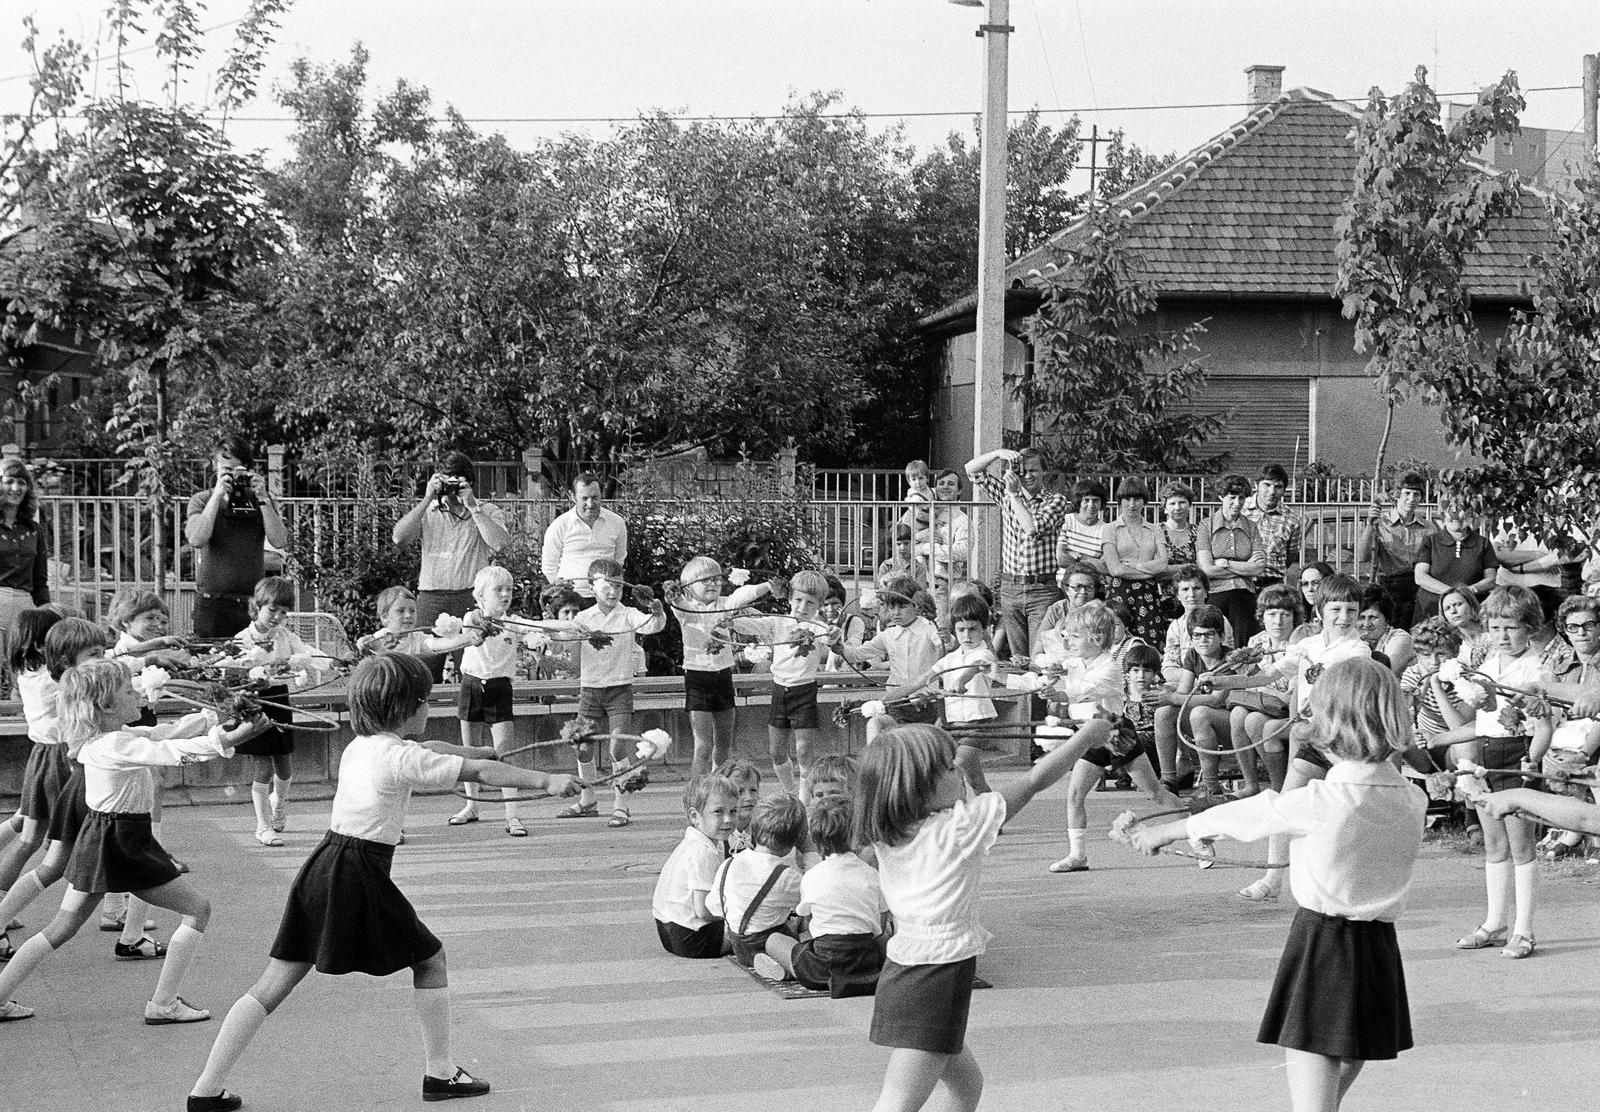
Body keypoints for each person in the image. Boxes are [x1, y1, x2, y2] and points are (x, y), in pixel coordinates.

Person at [185, 652, 580, 1111]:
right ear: (407, 707)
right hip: (359, 873)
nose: (429, 708)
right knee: (431, 960)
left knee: (275, 981)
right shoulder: (399, 757)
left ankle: (206, 1089)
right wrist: (547, 781)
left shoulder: (365, 746)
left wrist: (478, 750)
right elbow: (478, 773)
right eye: (426, 700)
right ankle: (440, 1072)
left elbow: (443, 751)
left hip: (324, 866)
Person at [1131, 659, 1425, 1112]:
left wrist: (1160, 833)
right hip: (1378, 944)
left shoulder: (1324, 799)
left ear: (1330, 722)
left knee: (1311, 1057)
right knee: (1354, 1050)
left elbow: (1243, 816)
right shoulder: (1412, 798)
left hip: (1324, 939)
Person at [0, 658, 267, 1024]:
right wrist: (229, 738)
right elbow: (168, 752)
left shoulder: (110, 738)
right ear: (105, 706)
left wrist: (211, 718)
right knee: (198, 909)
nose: (136, 692)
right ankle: (164, 1002)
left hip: (104, 840)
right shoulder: (113, 745)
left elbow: (163, 735)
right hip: (123, 843)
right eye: (128, 690)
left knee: (61, 928)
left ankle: (0, 995)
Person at [855, 723, 1081, 1112]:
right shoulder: (956, 828)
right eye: (947, 766)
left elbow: (882, 749)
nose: (959, 769)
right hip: (935, 976)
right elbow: (1035, 779)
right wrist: (1086, 738)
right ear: (916, 786)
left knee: (967, 1088)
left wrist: (888, 726)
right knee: (897, 1103)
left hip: (911, 970)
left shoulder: (890, 831)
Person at [1202, 573, 1372, 902]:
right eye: (1336, 609)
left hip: (1343, 743)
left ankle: (1348, 883)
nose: (1344, 617)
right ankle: (1272, 879)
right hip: (1312, 740)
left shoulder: (1357, 650)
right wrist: (1221, 682)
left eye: (1352, 610)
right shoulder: (1306, 646)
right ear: (1320, 610)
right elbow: (1267, 675)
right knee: (1285, 805)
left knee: (1346, 815)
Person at [1431, 586, 1553, 959]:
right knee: (1495, 845)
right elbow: (1480, 724)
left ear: (1529, 627)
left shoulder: (1538, 670)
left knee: (1521, 847)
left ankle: (1524, 930)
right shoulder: (1485, 667)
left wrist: (1531, 762)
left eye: (1512, 628)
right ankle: (1495, 922)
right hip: (1482, 760)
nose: (1503, 635)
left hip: (1516, 758)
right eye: (1496, 627)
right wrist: (1440, 739)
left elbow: (1543, 726)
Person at [422, 566, 536, 836]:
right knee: (468, 749)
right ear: (481, 595)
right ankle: (472, 805)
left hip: (499, 689)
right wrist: (474, 622)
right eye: (499, 590)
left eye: (509, 589)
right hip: (471, 685)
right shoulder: (471, 618)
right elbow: (470, 625)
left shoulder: (513, 623)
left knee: (505, 752)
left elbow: (541, 630)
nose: (506, 594)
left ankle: (512, 814)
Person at [1048, 644, 1182, 873]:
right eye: (1068, 637)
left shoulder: (1108, 666)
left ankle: (1198, 835)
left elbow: (1084, 691)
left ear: (1094, 638)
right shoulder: (1075, 663)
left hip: (1116, 729)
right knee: (1074, 794)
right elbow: (1047, 673)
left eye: (1075, 636)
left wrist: (1058, 693)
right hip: (1091, 732)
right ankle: (1077, 854)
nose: (1069, 641)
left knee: (1154, 793)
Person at [221, 577, 332, 846]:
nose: (278, 617)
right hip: (254, 701)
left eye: (283, 612)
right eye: (272, 610)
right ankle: (262, 826)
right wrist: (248, 671)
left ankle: (278, 805)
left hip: (279, 699)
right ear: (256, 606)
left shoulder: (286, 636)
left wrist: (328, 662)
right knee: (262, 768)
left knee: (284, 766)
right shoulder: (242, 639)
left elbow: (307, 652)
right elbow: (230, 671)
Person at [392, 452, 510, 682]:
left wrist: (473, 507)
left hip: (469, 598)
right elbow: (399, 538)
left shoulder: (486, 510)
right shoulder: (428, 510)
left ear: (470, 483)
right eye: (448, 482)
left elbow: (499, 543)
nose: (452, 489)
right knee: (422, 671)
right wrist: (426, 498)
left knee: (474, 669)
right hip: (431, 598)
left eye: (457, 482)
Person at [754, 795, 888, 996]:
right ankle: (871, 977)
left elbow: (808, 920)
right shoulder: (872, 874)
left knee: (773, 940)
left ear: (815, 839)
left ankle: (791, 971)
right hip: (867, 964)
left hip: (822, 964)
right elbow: (881, 926)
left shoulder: (813, 875)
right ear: (859, 837)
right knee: (889, 941)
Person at [725, 570, 839, 794]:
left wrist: (834, 633)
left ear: (819, 605)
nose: (803, 607)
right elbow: (737, 620)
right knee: (776, 751)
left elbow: (831, 637)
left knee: (804, 750)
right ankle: (789, 793)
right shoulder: (777, 622)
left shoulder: (818, 627)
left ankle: (805, 799)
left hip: (804, 691)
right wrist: (766, 587)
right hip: (779, 690)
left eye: (810, 602)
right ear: (789, 598)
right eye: (798, 599)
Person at [671, 556, 777, 775]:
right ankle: (697, 791)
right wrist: (673, 594)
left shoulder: (725, 605)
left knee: (723, 744)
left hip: (723, 678)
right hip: (697, 679)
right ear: (688, 588)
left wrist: (767, 586)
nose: (712, 584)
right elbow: (677, 603)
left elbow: (741, 596)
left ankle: (721, 787)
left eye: (716, 579)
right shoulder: (687, 609)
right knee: (703, 745)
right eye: (705, 580)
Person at [964, 447, 1068, 661]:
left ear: (1043, 472)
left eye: (1033, 470)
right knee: (1019, 659)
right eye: (1022, 471)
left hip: (1042, 589)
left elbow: (1032, 528)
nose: (1027, 476)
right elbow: (971, 470)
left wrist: (1012, 495)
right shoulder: (1007, 493)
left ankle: (1041, 696)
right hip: (1010, 586)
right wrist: (997, 453)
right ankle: (1021, 695)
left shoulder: (1055, 500)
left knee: (1041, 658)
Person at [185, 437, 286, 639]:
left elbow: (280, 541)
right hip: (212, 601)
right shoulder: (202, 500)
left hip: (252, 602)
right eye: (226, 470)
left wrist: (264, 499)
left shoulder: (261, 501)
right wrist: (218, 495)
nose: (232, 476)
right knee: (210, 663)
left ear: (248, 470)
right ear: (215, 466)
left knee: (254, 662)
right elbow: (197, 539)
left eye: (237, 470)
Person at [708, 793, 807, 967]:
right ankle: (789, 964)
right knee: (805, 924)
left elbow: (714, 906)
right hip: (769, 942)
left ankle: (770, 964)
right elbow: (815, 899)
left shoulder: (729, 863)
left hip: (737, 945)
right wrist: (809, 855)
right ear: (795, 840)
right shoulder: (787, 877)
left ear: (755, 829)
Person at [842, 579, 947, 742]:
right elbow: (857, 654)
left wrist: (945, 640)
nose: (896, 612)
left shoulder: (928, 628)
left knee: (922, 748)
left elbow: (945, 645)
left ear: (916, 606)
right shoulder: (888, 635)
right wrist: (838, 647)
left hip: (926, 701)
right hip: (897, 702)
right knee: (886, 734)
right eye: (892, 607)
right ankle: (876, 764)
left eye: (902, 606)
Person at [652, 773, 740, 959]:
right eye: (718, 812)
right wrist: (736, 914)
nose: (728, 819)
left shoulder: (693, 844)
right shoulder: (702, 852)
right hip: (693, 938)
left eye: (733, 811)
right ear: (694, 816)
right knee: (756, 932)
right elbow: (704, 910)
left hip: (671, 931)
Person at [1356, 471, 1432, 629]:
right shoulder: (1380, 523)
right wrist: (1370, 525)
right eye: (1407, 493)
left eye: (1416, 494)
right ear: (1397, 495)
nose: (1411, 499)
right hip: (1389, 589)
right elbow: (1362, 556)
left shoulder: (1428, 528)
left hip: (1418, 589)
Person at [1195, 474, 1266, 643]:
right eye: (1232, 497)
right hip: (1215, 591)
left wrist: (1225, 563)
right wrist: (1243, 568)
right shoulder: (1206, 525)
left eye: (1241, 498)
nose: (1237, 503)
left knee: (1244, 638)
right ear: (1221, 496)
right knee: (1214, 636)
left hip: (1244, 591)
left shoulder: (1251, 526)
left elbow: (1258, 568)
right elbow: (1207, 569)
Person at [0, 459, 50, 691]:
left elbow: (40, 578)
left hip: (24, 604)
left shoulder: (33, 529)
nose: (16, 488)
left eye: (21, 482)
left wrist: (45, 612)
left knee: (24, 671)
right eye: (9, 481)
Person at [1101, 478, 1171, 643]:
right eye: (1127, 499)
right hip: (1119, 592)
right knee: (1117, 641)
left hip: (1148, 594)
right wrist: (1149, 571)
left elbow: (1163, 564)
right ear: (1120, 500)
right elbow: (1115, 570)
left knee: (1150, 642)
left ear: (1144, 501)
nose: (1132, 504)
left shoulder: (1155, 529)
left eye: (1137, 499)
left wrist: (1134, 566)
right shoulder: (1110, 529)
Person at [540, 470, 628, 601]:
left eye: (595, 497)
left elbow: (619, 560)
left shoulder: (617, 523)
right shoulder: (559, 526)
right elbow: (549, 566)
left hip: (605, 599)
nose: (590, 504)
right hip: (571, 600)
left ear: (601, 495)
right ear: (573, 497)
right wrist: (560, 589)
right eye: (584, 498)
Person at [1413, 500, 1498, 619]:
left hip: (1470, 611)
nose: (1456, 516)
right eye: (1451, 511)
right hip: (1432, 611)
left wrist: (1470, 591)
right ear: (1444, 516)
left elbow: (1490, 579)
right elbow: (1420, 577)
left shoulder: (1482, 543)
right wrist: (1453, 594)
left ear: (1471, 516)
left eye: (1462, 511)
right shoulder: (1430, 541)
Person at [1243, 463, 1303, 590]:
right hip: (1242, 582)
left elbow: (1290, 555)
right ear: (1256, 485)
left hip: (1273, 585)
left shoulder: (1293, 519)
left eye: (1278, 487)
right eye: (1267, 485)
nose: (1272, 492)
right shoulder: (1240, 510)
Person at [1054, 479, 1110, 578]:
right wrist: (1091, 561)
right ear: (1079, 501)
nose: (1091, 505)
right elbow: (1061, 559)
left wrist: (1076, 555)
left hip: (1091, 586)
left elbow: (1104, 567)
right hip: (1064, 583)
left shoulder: (1107, 530)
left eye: (1096, 500)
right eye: (1086, 500)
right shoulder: (1066, 521)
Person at [1357, 584, 1415, 675]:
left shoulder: (1401, 639)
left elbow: (1383, 675)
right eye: (1361, 617)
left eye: (1373, 617)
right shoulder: (1358, 641)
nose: (1366, 624)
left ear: (1387, 619)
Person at [355, 586, 431, 656]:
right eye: (400, 611)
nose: (408, 615)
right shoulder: (380, 639)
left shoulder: (418, 638)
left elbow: (434, 644)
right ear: (385, 617)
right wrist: (363, 644)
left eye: (412, 611)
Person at [876, 525, 930, 591]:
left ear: (912, 543)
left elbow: (921, 593)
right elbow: (880, 591)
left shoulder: (919, 567)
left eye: (906, 543)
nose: (903, 547)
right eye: (898, 544)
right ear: (892, 545)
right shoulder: (886, 566)